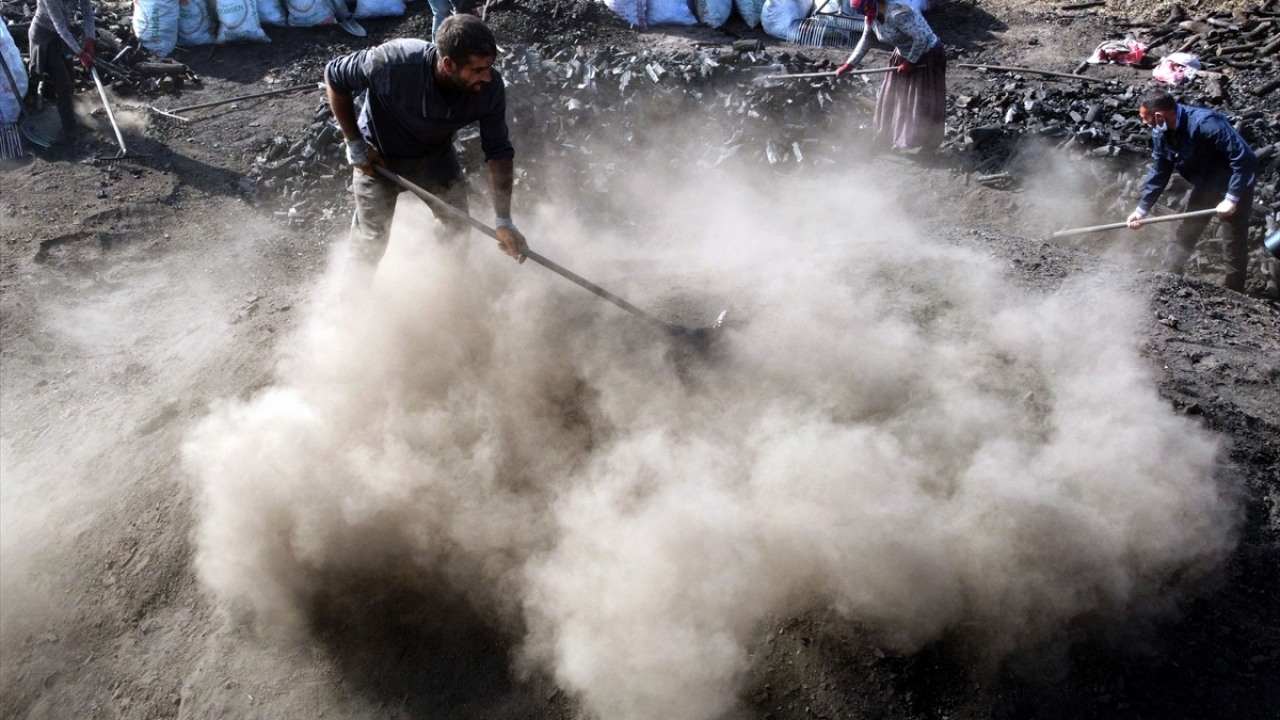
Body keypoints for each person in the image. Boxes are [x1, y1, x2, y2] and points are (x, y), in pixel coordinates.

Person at [324, 14, 526, 272]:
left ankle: (446, 294)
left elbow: (497, 151)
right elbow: (334, 76)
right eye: (477, 70)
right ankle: (349, 308)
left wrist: (503, 220)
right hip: (378, 158)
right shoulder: (392, 63)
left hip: (435, 156)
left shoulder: (489, 89)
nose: (487, 77)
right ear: (449, 64)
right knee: (370, 240)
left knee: (456, 228)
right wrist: (355, 143)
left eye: (489, 67)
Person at [1126, 90, 1276, 295]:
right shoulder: (1160, 132)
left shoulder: (1206, 123)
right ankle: (1166, 280)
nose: (1144, 123)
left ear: (1160, 115)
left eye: (1146, 118)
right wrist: (1142, 210)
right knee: (1186, 233)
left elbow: (1245, 158)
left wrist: (1232, 198)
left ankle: (1235, 294)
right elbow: (1160, 172)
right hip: (1205, 186)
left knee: (1233, 244)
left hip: (1234, 186)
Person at [835, 0, 946, 155]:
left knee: (921, 100)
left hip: (926, 55)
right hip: (902, 55)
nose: (864, 14)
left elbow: (921, 38)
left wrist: (911, 61)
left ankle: (925, 144)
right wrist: (850, 64)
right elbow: (866, 40)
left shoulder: (898, 14)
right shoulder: (872, 18)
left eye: (864, 9)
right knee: (891, 97)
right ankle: (885, 138)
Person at [28, 0, 95, 142]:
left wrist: (90, 38)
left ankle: (69, 114)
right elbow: (60, 27)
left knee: (70, 79)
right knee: (63, 84)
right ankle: (69, 131)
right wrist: (81, 54)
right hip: (44, 35)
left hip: (61, 34)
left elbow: (87, 11)